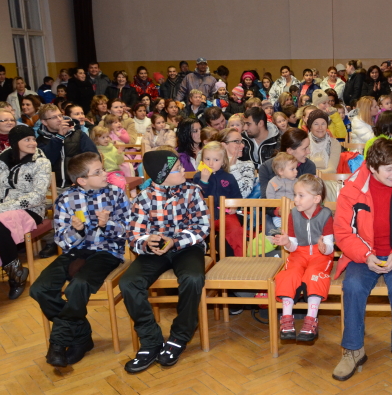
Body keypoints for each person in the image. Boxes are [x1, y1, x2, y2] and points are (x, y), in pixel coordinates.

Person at [332, 138, 392, 384]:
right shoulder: (352, 189)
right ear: (372, 168)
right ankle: (353, 350)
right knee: (352, 286)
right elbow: (343, 232)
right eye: (389, 169)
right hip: (364, 255)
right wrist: (365, 255)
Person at [30, 153, 130, 367]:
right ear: (82, 180)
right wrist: (78, 231)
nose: (105, 174)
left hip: (107, 252)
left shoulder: (115, 194)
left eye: (103, 169)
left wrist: (107, 225)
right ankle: (81, 335)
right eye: (98, 172)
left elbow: (127, 232)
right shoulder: (66, 199)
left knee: (78, 286)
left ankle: (58, 342)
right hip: (75, 252)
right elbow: (61, 240)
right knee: (40, 289)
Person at [120, 150, 210, 372]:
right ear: (162, 176)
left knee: (193, 278)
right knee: (129, 283)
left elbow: (202, 227)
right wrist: (146, 242)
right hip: (155, 251)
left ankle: (180, 336)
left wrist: (175, 241)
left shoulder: (192, 191)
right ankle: (150, 340)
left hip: (187, 247)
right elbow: (134, 235)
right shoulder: (143, 198)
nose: (183, 170)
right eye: (178, 168)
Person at [0, 125, 50, 297]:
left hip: (29, 209)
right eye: (27, 139)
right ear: (15, 143)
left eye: (34, 139)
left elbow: (38, 196)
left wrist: (1, 208)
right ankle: (17, 271)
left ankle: (15, 276)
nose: (33, 143)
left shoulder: (40, 162)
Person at [270, 174, 334, 342]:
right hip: (299, 254)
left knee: (314, 275)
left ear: (316, 199)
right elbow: (293, 245)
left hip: (320, 255)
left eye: (301, 195)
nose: (296, 200)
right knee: (289, 275)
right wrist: (286, 243)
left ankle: (311, 319)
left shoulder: (326, 215)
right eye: (295, 195)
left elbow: (329, 245)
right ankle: (286, 319)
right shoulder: (293, 214)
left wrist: (325, 248)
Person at [192, 141, 243, 257]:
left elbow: (237, 197)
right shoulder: (198, 177)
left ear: (223, 161)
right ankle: (199, 256)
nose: (211, 163)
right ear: (202, 160)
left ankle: (238, 259)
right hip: (204, 217)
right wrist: (203, 181)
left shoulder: (229, 177)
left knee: (235, 230)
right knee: (194, 230)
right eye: (207, 159)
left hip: (225, 215)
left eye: (216, 160)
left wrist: (234, 207)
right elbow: (195, 198)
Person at [36, 104, 98, 191]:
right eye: (54, 117)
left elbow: (93, 157)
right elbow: (47, 162)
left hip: (79, 185)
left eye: (60, 115)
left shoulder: (78, 134)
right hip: (52, 188)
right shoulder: (40, 140)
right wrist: (59, 137)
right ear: (44, 122)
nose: (59, 119)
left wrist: (82, 180)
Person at [259, 129, 317, 202]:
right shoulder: (266, 167)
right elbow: (266, 199)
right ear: (290, 151)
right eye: (304, 149)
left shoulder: (309, 166)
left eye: (308, 147)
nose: (309, 152)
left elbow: (309, 198)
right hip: (274, 208)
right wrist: (278, 208)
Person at [215, 127, 256, 198]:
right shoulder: (212, 164)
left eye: (242, 141)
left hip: (237, 205)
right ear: (223, 145)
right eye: (237, 141)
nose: (243, 145)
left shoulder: (247, 165)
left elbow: (244, 193)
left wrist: (233, 167)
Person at [265, 151, 298, 225]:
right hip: (278, 214)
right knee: (279, 226)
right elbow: (270, 200)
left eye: (296, 168)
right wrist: (278, 209)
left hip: (294, 212)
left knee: (295, 225)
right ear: (281, 171)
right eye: (292, 169)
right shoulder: (272, 182)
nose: (296, 171)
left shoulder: (298, 183)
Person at [306, 109, 342, 175]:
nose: (320, 127)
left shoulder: (334, 143)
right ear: (310, 127)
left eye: (323, 124)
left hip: (328, 177)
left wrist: (316, 174)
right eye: (316, 124)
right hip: (307, 178)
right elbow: (304, 168)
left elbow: (332, 169)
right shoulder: (304, 142)